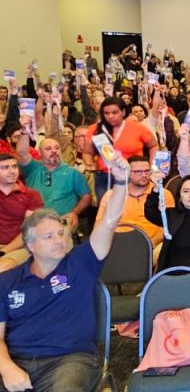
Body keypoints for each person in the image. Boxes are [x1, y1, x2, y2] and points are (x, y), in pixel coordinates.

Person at [0, 153, 128, 391]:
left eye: (61, 233)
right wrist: (6, 367)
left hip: (70, 360)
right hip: (18, 360)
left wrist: (121, 183)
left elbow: (110, 221)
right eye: (49, 236)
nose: (59, 240)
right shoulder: (7, 281)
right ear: (30, 245)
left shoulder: (81, 262)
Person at [15, 114, 90, 234]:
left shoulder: (73, 173)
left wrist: (74, 212)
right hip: (34, 221)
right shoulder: (32, 168)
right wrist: (24, 129)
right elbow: (21, 152)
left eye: (57, 148)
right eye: (48, 149)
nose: (54, 151)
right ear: (40, 153)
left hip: (62, 221)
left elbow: (86, 196)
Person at [85, 97, 157, 203]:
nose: (110, 116)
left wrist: (152, 166)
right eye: (106, 113)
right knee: (106, 208)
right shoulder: (95, 129)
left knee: (131, 206)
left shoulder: (137, 127)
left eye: (114, 112)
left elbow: (153, 146)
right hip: (105, 176)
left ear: (123, 112)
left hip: (132, 175)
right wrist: (89, 163)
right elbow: (87, 152)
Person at [96, 156, 175, 248]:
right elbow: (100, 225)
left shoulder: (163, 194)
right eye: (138, 172)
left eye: (147, 171)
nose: (144, 175)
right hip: (118, 244)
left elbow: (170, 226)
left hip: (153, 245)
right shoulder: (112, 196)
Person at [0, 155, 43, 272]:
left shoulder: (31, 195)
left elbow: (30, 231)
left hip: (21, 247)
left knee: (2, 267)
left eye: (14, 166)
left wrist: (3, 251)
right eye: (5, 167)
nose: (12, 171)